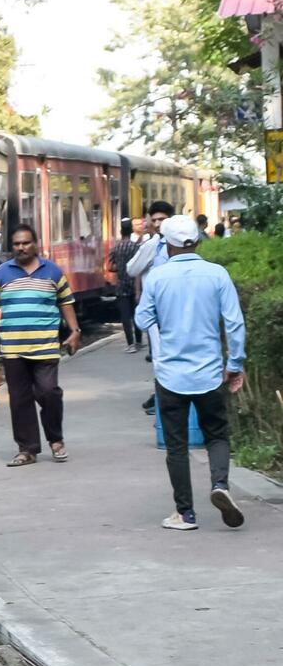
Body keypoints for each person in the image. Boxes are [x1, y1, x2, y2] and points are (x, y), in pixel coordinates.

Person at [133, 215, 247, 530]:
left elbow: (142, 320)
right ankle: (220, 484)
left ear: (167, 245)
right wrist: (235, 364)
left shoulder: (157, 277)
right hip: (211, 372)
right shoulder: (217, 274)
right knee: (217, 434)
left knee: (177, 445)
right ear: (197, 241)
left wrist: (161, 317)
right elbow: (235, 323)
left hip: (170, 375)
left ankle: (185, 514)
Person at [0, 221, 81, 466]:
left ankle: (56, 439)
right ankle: (27, 449)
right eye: (16, 244)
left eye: (26, 243)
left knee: (49, 392)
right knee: (20, 399)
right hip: (13, 349)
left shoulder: (53, 271)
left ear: (35, 245)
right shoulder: (1, 273)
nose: (21, 248)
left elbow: (66, 302)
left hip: (44, 346)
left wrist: (74, 330)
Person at [128, 200, 174, 410]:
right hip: (157, 311)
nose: (157, 224)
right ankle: (162, 398)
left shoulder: (181, 242)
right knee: (159, 356)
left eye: (162, 219)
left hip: (178, 307)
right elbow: (131, 269)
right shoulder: (151, 246)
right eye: (154, 220)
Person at [106, 217, 141, 351]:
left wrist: (120, 267)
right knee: (136, 314)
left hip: (121, 285)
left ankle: (130, 344)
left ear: (121, 231)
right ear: (131, 231)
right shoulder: (136, 247)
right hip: (135, 284)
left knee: (125, 316)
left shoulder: (116, 248)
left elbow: (109, 266)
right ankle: (138, 341)